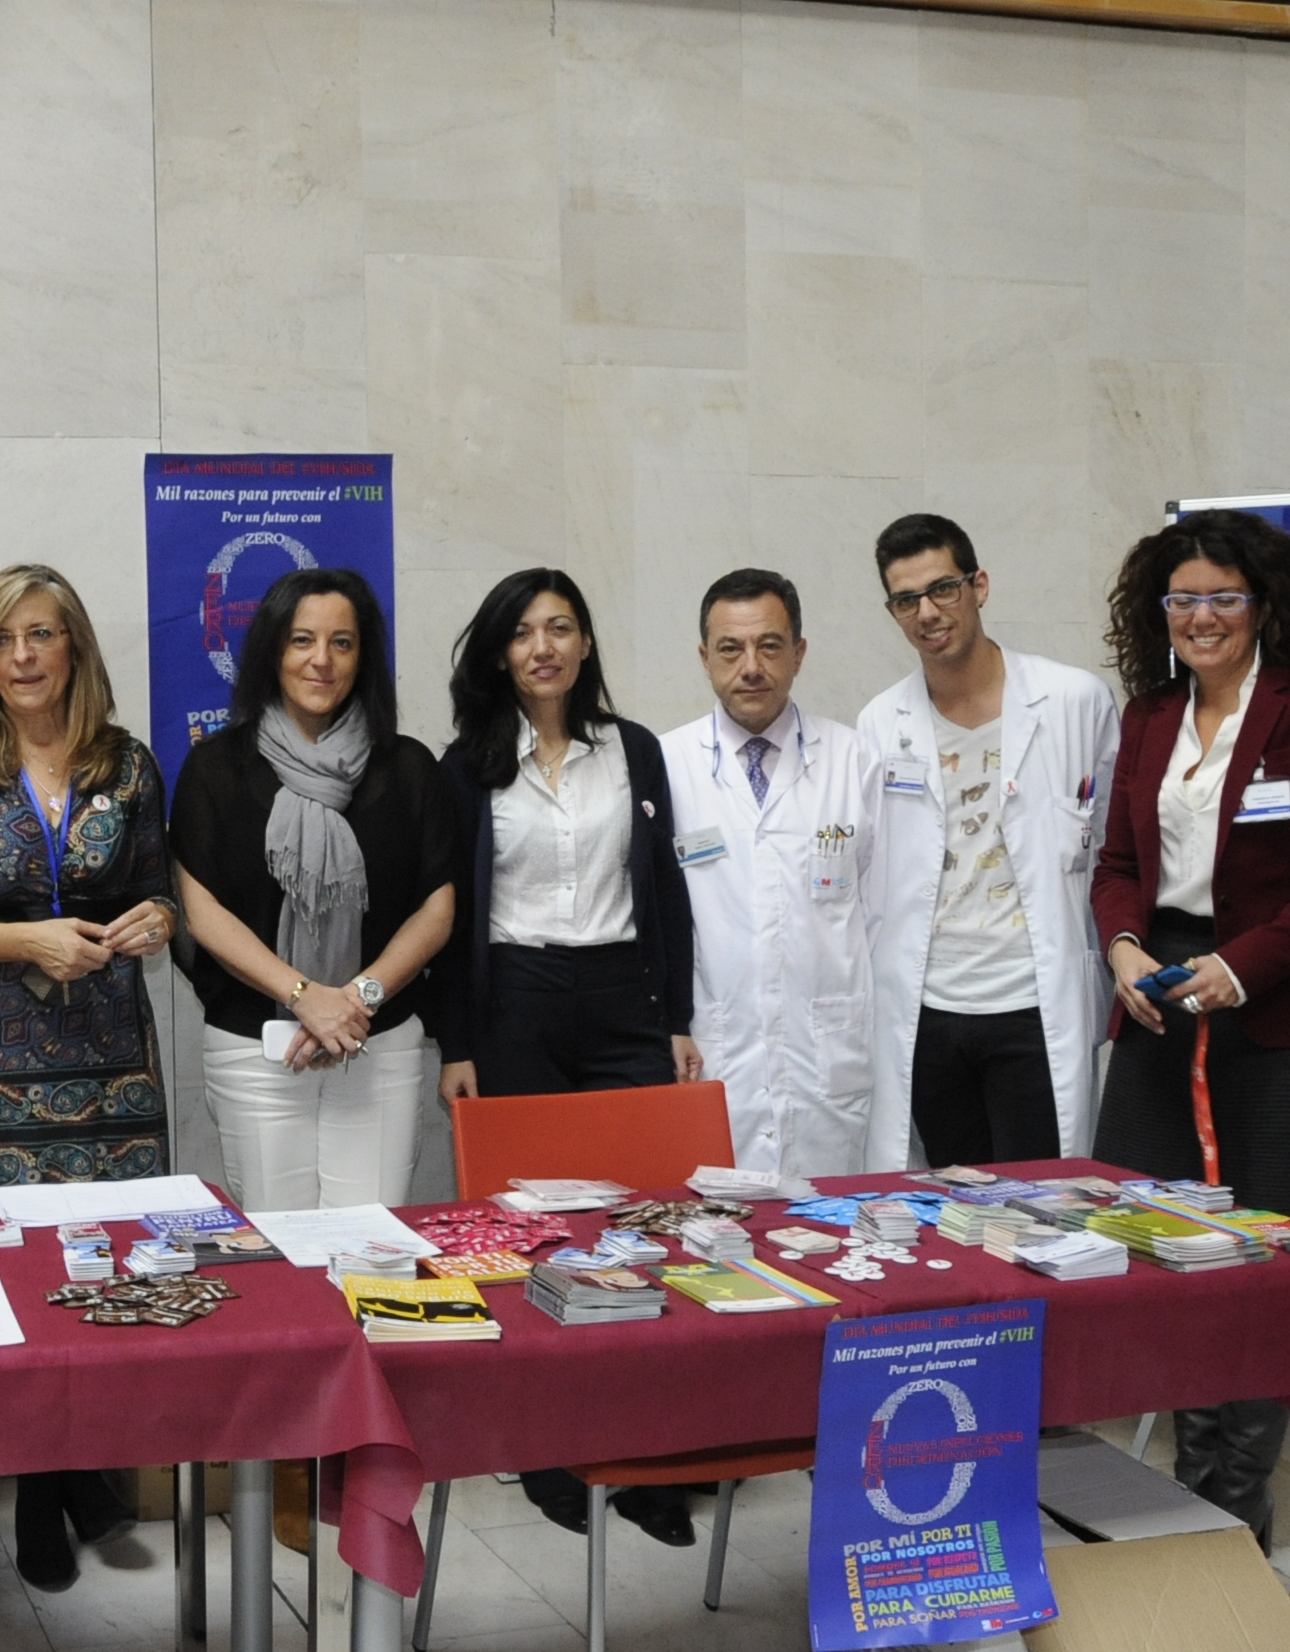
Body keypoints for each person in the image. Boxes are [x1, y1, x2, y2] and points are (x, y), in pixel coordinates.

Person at [1091, 508, 1290, 1546]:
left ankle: (1236, 1514)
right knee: (1168, 1250)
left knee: (1261, 1259)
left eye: (1224, 596)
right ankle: (1191, 1493)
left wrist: (1244, 967)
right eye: (1184, 599)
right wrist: (1123, 946)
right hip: (1164, 1008)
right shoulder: (1148, 717)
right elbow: (1117, 864)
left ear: (1263, 604)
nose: (1203, 617)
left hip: (1286, 1015)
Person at [0, 562, 175, 1593]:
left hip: (110, 1069)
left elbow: (158, 889)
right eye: (5, 639)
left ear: (74, 648)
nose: (23, 656)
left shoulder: (126, 765)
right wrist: (28, 939)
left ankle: (91, 1469)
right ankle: (43, 1495)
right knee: (16, 1278)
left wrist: (155, 922)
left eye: (43, 634)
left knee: (107, 1272)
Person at [429, 566, 702, 1546]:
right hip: (517, 1003)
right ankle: (548, 1450)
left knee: (640, 1225)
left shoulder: (634, 750)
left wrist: (676, 1018)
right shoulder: (467, 766)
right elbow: (451, 917)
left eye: (560, 627)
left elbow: (664, 890)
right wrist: (458, 1042)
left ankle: (649, 1457)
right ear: (499, 652)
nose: (542, 647)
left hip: (626, 1001)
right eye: (522, 632)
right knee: (531, 1233)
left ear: (585, 643)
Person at [172, 566, 458, 1214]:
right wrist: (304, 997)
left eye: (341, 643)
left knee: (372, 1243)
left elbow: (436, 909)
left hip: (377, 1044)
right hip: (257, 1051)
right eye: (302, 640)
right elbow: (203, 913)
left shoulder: (409, 768)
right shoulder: (215, 768)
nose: (321, 660)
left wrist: (355, 1000)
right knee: (282, 1246)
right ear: (272, 650)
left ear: (364, 657)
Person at [859, 515, 1120, 1172]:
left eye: (942, 589)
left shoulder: (1073, 700)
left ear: (978, 586)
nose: (927, 612)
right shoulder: (880, 723)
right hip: (929, 1009)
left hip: (1033, 1001)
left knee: (1042, 1199)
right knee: (952, 1202)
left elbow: (1114, 849)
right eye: (905, 600)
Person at [660, 568, 884, 1180]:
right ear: (705, 658)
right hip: (716, 1056)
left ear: (799, 653)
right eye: (731, 649)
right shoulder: (666, 764)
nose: (751, 667)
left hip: (828, 1065)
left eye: (770, 646)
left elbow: (884, 918)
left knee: (828, 1223)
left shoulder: (855, 759)